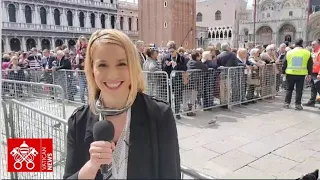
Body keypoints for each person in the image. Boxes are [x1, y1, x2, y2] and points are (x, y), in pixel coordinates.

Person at [63, 29, 180, 179]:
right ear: (92, 69)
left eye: (122, 64)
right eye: (102, 65)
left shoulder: (159, 115)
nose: (112, 75)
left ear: (133, 66)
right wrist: (91, 167)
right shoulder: (78, 121)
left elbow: (171, 174)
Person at [282, 38, 313, 110]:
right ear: (302, 43)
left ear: (295, 44)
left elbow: (284, 63)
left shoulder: (289, 52)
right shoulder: (307, 52)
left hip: (290, 73)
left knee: (289, 89)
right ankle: (298, 104)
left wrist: (283, 72)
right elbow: (310, 64)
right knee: (299, 90)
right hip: (301, 74)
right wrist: (309, 74)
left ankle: (287, 103)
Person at [303, 39, 320, 108]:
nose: (312, 46)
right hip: (313, 73)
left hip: (317, 74)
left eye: (314, 44)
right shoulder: (313, 52)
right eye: (311, 44)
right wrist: (308, 73)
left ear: (318, 44)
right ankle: (312, 101)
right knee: (313, 88)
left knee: (319, 88)